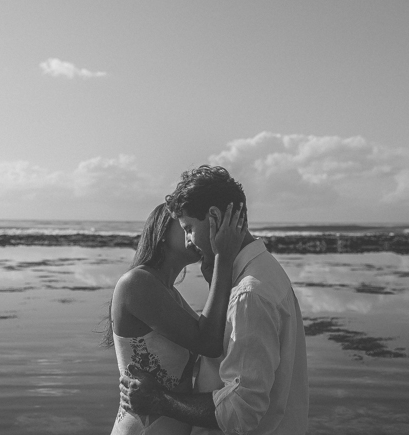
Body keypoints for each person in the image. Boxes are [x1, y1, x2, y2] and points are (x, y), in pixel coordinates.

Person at [119, 166, 308, 435]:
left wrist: (160, 401)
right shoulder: (264, 272)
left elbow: (241, 410)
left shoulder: (249, 293)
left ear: (215, 217)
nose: (189, 240)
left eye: (189, 228)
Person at [106, 200, 246, 434]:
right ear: (161, 232)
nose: (193, 235)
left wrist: (213, 278)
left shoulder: (169, 293)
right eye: (184, 227)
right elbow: (208, 342)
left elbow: (213, 343)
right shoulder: (138, 283)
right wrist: (223, 258)